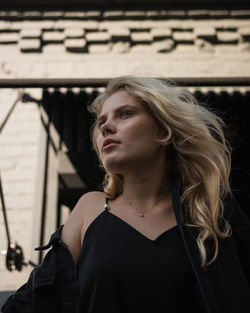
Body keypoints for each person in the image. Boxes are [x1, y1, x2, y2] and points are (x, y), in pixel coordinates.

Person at [2, 75, 250, 313]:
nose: (106, 127)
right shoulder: (90, 208)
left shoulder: (207, 211)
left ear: (162, 130)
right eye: (101, 122)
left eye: (125, 114)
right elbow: (39, 301)